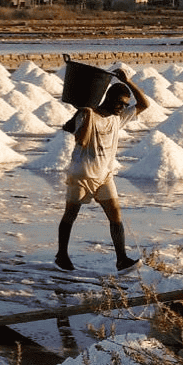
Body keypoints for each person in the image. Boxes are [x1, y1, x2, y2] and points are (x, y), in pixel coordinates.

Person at [55, 67, 150, 272]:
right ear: (109, 99)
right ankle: (61, 255)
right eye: (119, 103)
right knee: (70, 214)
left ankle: (121, 259)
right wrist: (87, 114)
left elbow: (144, 104)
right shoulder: (87, 115)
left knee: (115, 215)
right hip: (81, 175)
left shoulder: (119, 117)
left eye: (125, 104)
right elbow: (81, 140)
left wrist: (129, 81)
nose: (122, 107)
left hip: (104, 175)